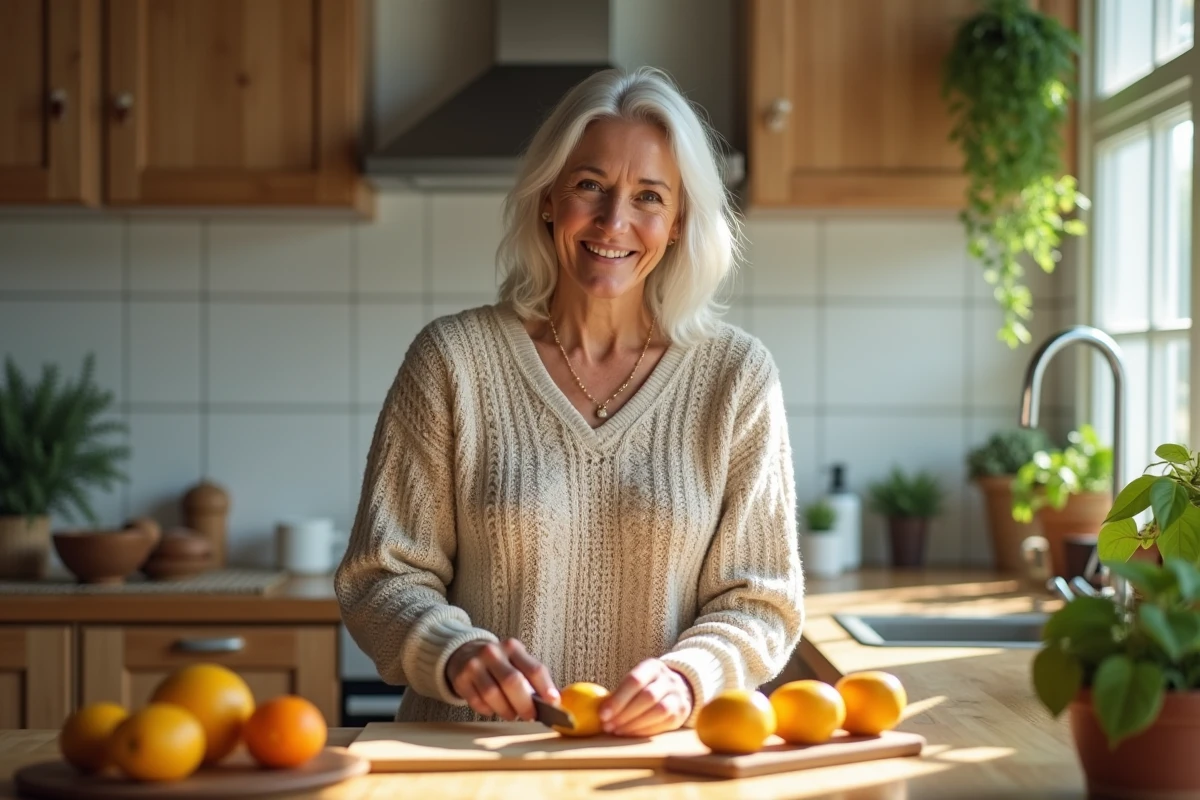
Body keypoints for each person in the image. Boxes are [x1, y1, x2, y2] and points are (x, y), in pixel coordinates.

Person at [335, 66, 804, 737]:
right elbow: (380, 578)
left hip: (650, 772)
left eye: (649, 196)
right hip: (470, 761)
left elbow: (763, 602)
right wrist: (456, 651)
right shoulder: (452, 362)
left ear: (677, 223)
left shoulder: (736, 378)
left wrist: (688, 675)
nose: (615, 220)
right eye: (591, 185)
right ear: (549, 197)